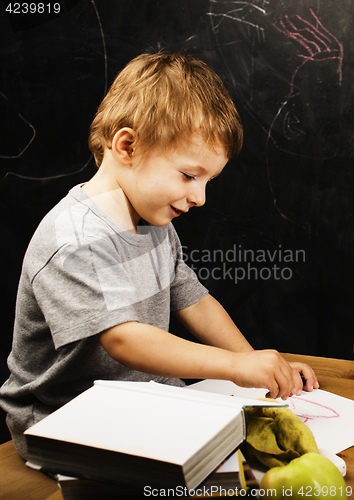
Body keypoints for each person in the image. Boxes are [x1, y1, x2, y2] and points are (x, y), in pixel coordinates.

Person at [0, 52, 319, 460]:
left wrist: (254, 362)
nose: (199, 197)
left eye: (208, 181)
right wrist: (235, 368)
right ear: (127, 146)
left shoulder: (153, 224)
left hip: (142, 401)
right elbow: (124, 338)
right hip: (63, 419)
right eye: (189, 176)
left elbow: (193, 298)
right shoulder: (77, 237)